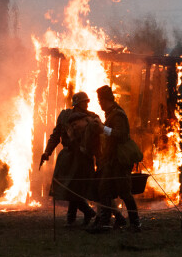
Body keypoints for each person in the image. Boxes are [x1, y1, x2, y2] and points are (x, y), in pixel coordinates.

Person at [41, 92, 97, 226]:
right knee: (68, 187)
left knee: (76, 187)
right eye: (84, 102)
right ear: (77, 103)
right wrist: (47, 151)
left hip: (84, 157)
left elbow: (97, 138)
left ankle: (73, 218)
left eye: (87, 102)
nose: (87, 104)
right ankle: (86, 212)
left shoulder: (91, 118)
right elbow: (55, 136)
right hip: (68, 156)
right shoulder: (65, 116)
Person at [92, 85, 141, 233]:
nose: (99, 103)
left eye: (100, 100)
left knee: (125, 192)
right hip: (110, 161)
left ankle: (135, 224)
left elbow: (121, 135)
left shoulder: (118, 115)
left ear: (105, 100)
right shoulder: (111, 114)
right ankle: (105, 223)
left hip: (120, 161)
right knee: (104, 190)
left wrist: (102, 128)